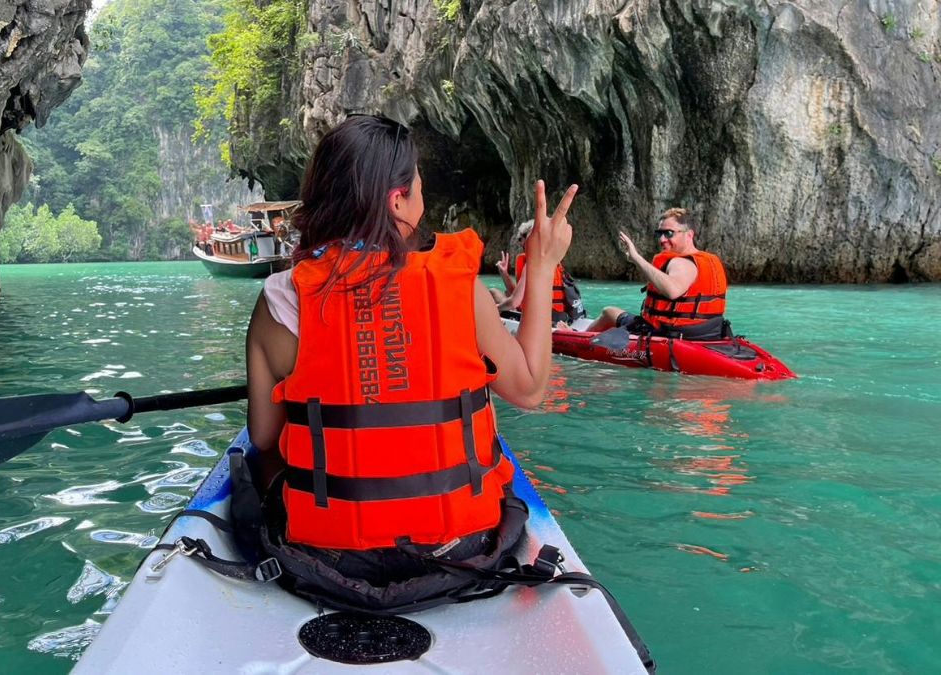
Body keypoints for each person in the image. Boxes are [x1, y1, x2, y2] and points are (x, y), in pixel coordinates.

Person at [242, 114, 577, 611]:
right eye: (419, 186)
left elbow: (264, 437)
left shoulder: (280, 298)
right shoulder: (460, 288)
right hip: (458, 550)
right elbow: (529, 389)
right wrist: (544, 264)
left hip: (331, 557)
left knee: (263, 458)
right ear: (398, 200)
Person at [585, 207, 729, 340]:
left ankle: (579, 337)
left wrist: (636, 258)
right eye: (659, 233)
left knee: (609, 312)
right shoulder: (710, 260)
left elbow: (673, 291)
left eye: (669, 233)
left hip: (673, 333)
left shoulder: (680, 263)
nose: (662, 239)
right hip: (708, 331)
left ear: (689, 235)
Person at [490, 220, 586, 326]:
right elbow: (518, 296)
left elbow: (515, 301)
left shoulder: (531, 263)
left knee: (494, 292)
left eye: (521, 239)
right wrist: (505, 274)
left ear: (530, 239)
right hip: (560, 317)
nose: (520, 243)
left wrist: (494, 309)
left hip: (539, 320)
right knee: (504, 294)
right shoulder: (555, 261)